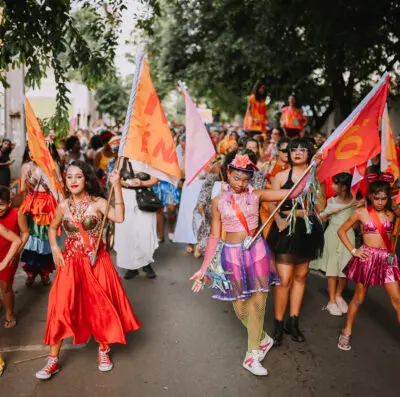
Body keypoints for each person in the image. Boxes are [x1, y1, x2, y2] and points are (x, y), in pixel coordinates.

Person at [190, 152, 309, 376]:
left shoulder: (257, 195)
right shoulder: (218, 202)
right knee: (240, 306)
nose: (240, 184)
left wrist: (314, 167)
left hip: (257, 253)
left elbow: (294, 192)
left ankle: (252, 354)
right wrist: (204, 267)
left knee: (258, 305)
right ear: (227, 175)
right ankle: (262, 338)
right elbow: (215, 236)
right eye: (236, 178)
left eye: (245, 179)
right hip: (231, 256)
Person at [35, 161, 140, 380]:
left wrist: (117, 186)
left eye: (78, 176)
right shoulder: (63, 206)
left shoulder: (99, 203)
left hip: (97, 263)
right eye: (69, 177)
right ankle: (52, 360)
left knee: (100, 307)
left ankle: (103, 350)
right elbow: (53, 228)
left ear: (86, 179)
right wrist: (55, 247)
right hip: (70, 264)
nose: (73, 181)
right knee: (60, 307)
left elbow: (119, 217)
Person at [267, 138, 324, 346]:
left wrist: (317, 178)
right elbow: (272, 206)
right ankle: (278, 325)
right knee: (284, 280)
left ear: (309, 153)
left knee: (301, 277)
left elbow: (321, 205)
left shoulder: (314, 177)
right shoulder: (280, 177)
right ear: (289, 154)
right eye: (294, 149)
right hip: (286, 232)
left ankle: (294, 322)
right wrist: (282, 219)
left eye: (302, 149)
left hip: (307, 232)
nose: (298, 152)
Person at [337, 173, 400, 351]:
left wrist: (395, 206)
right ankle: (346, 331)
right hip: (368, 258)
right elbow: (341, 231)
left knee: (397, 300)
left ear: (388, 198)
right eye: (376, 198)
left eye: (383, 198)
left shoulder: (392, 214)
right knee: (359, 298)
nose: (380, 202)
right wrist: (354, 250)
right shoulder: (361, 213)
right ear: (370, 196)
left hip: (387, 259)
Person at [310, 173, 356, 316]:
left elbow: (356, 224)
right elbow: (322, 220)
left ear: (343, 187)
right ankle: (331, 301)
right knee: (332, 267)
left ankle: (338, 295)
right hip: (332, 236)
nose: (332, 186)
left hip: (348, 236)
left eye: (335, 183)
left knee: (345, 267)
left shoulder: (354, 202)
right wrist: (327, 213)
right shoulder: (331, 201)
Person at [20, 147, 59, 286]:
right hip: (31, 208)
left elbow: (56, 189)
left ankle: (44, 273)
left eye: (34, 150)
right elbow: (22, 190)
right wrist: (28, 178)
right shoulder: (26, 166)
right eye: (29, 151)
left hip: (47, 208)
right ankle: (31, 272)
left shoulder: (50, 165)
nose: (32, 153)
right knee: (31, 240)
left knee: (45, 241)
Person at [114, 158, 159, 279]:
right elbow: (115, 177)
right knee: (127, 231)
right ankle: (131, 266)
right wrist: (123, 183)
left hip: (144, 198)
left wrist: (141, 183)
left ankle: (146, 263)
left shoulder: (147, 158)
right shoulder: (121, 159)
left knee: (145, 230)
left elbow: (155, 180)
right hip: (126, 198)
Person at [0, 186, 29, 328]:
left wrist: (17, 251)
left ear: (9, 203)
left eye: (1, 204)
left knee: (6, 285)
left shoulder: (17, 213)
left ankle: (9, 313)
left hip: (11, 252)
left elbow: (25, 233)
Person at [260, 138, 290, 239]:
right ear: (278, 151)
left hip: (285, 207)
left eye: (290, 150)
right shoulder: (267, 166)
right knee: (268, 238)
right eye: (284, 150)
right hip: (267, 208)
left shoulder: (293, 167)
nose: (287, 153)